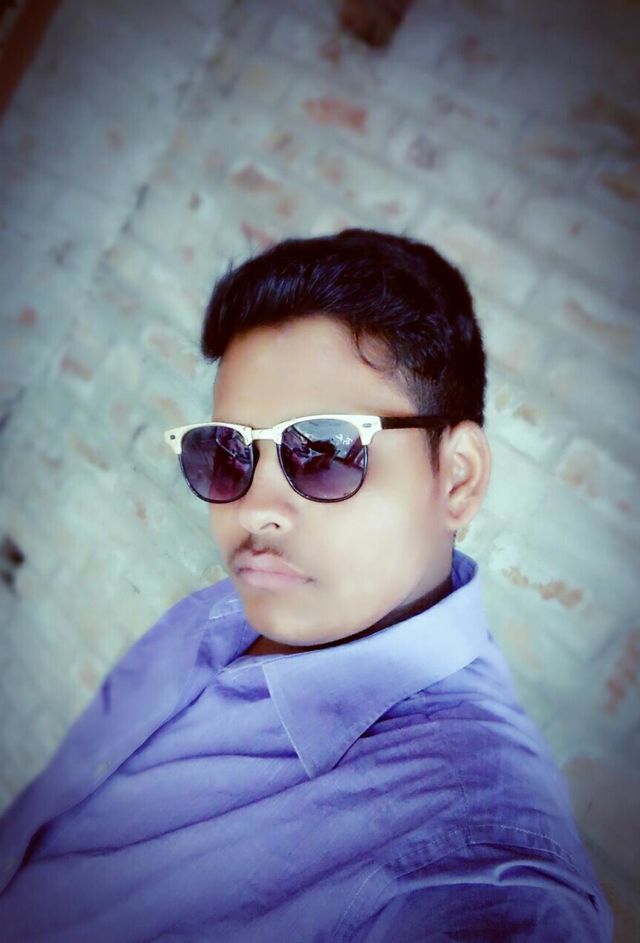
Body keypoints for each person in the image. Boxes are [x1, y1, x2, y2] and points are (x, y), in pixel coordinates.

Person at [0, 229, 612, 941]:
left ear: (457, 477)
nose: (252, 508)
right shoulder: (236, 609)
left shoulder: (476, 853)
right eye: (225, 451)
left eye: (322, 450)